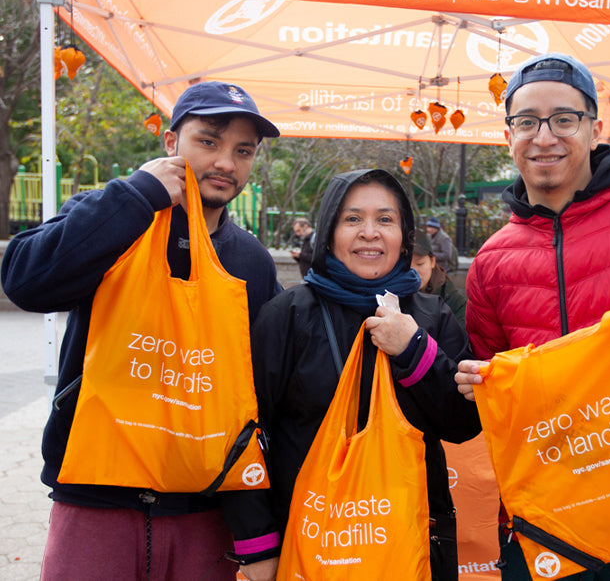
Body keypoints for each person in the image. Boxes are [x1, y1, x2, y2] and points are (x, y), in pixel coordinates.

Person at [1, 81, 282, 580]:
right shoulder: (113, 215)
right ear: (171, 143)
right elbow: (26, 281)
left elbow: (258, 396)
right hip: (95, 495)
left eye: (243, 151)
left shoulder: (252, 263)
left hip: (203, 506)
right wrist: (135, 196)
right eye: (209, 141)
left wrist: (257, 535)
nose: (225, 163)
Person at [455, 52, 610, 580]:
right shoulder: (492, 261)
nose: (545, 137)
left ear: (594, 128)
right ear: (508, 134)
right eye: (527, 122)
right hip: (548, 516)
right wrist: (476, 385)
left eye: (564, 119)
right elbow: (493, 395)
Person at [227, 168, 482, 581]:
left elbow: (462, 424)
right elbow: (243, 434)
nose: (370, 233)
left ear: (405, 236)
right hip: (311, 545)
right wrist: (257, 546)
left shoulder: (432, 316)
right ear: (328, 233)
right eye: (352, 219)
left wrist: (413, 350)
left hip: (413, 543)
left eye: (385, 219)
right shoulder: (289, 316)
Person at [411, 229, 467, 326]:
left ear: (432, 262)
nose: (413, 272)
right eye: (406, 265)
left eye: (420, 264)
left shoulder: (454, 302)